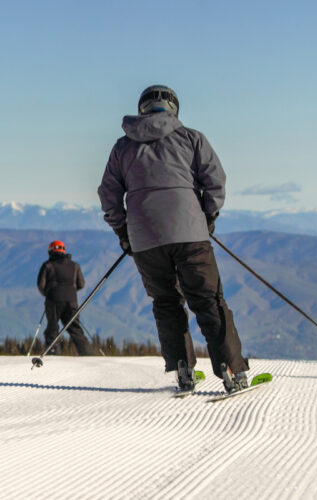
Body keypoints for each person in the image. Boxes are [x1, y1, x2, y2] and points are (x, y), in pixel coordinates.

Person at [97, 84, 249, 393]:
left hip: (145, 240)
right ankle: (231, 370)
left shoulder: (122, 148)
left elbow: (109, 196)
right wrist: (206, 217)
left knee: (166, 302)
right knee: (208, 300)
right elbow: (215, 182)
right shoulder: (192, 138)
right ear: (173, 108)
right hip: (190, 234)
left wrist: (124, 233)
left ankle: (183, 369)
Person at [37, 240, 92, 355]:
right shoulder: (74, 265)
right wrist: (70, 291)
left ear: (51, 251)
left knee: (52, 329)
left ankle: (53, 353)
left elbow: (40, 285)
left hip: (53, 301)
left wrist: (48, 294)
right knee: (75, 329)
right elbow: (81, 284)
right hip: (71, 301)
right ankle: (87, 354)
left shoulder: (48, 265)